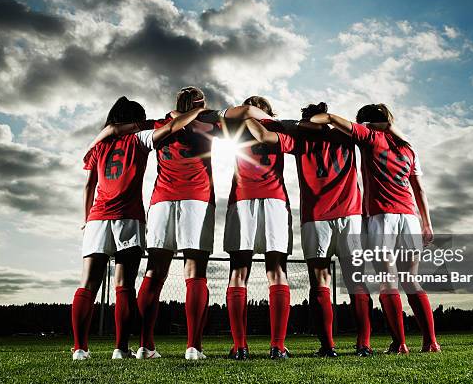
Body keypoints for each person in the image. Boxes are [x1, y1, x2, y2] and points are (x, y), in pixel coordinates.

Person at [89, 87, 272, 360]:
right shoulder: (210, 122)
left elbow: (117, 130)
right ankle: (193, 347)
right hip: (196, 200)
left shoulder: (161, 124)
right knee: (195, 273)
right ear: (200, 104)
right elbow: (244, 116)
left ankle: (145, 346)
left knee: (154, 273)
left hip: (161, 200)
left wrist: (97, 141)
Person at [72, 96, 205, 360]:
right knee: (124, 284)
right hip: (128, 216)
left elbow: (89, 185)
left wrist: (86, 219)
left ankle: (79, 349)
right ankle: (120, 349)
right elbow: (168, 129)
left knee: (87, 283)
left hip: (97, 216)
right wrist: (196, 111)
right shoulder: (138, 139)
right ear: (134, 120)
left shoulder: (99, 146)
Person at [310, 104, 440, 354]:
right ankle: (431, 342)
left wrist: (317, 120)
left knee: (388, 281)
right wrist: (427, 222)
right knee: (411, 280)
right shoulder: (408, 148)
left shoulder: (370, 137)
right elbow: (419, 189)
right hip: (410, 217)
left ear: (367, 123)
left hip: (382, 216)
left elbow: (332, 120)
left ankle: (400, 343)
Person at [246, 103, 373, 357]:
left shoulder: (299, 140)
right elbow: (376, 130)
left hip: (316, 217)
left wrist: (243, 115)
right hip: (350, 215)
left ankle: (328, 347)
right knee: (356, 281)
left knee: (320, 282)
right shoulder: (346, 133)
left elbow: (262, 135)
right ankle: (364, 346)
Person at [223, 96, 293, 360]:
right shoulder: (282, 128)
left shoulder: (235, 128)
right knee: (276, 271)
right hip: (275, 200)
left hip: (242, 198)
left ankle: (240, 346)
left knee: (238, 272)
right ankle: (277, 346)